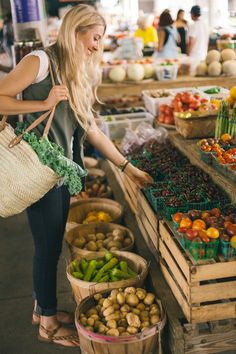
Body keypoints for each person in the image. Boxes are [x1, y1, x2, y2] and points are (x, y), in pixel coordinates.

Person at [0, 4, 153, 348]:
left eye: (101, 39)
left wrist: (127, 167)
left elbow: (93, 130)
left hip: (61, 173)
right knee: (47, 247)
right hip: (37, 171)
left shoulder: (77, 70)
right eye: (95, 37)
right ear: (76, 31)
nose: (98, 45)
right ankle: (48, 325)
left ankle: (44, 310)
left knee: (51, 245)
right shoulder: (40, 62)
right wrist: (41, 105)